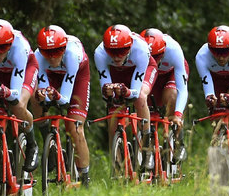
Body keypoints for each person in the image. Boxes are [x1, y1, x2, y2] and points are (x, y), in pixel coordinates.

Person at [0, 19, 39, 172]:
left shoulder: (20, 48)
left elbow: (15, 93)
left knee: (18, 105)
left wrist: (7, 93)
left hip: (24, 69)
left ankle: (32, 144)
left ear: (10, 44)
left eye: (2, 48)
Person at [32, 25, 91, 186]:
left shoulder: (72, 55)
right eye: (47, 52)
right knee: (35, 95)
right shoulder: (38, 57)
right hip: (53, 75)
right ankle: (48, 141)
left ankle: (84, 177)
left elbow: (64, 99)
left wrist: (56, 96)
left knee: (75, 128)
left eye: (57, 51)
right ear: (40, 51)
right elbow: (44, 90)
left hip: (77, 76)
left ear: (64, 48)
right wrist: (43, 95)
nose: (52, 57)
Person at [94, 24, 158, 170]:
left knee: (140, 97)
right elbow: (105, 88)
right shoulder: (100, 53)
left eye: (122, 51)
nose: (117, 56)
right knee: (112, 110)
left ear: (129, 46)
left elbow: (134, 92)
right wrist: (109, 91)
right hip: (118, 71)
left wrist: (126, 91)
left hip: (142, 68)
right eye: (112, 51)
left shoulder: (140, 49)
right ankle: (116, 165)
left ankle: (147, 149)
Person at [140, 28, 189, 162]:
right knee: (143, 106)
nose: (154, 61)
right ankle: (147, 147)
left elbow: (182, 89)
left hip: (170, 74)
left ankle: (179, 141)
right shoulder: (137, 48)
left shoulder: (173, 49)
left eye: (157, 57)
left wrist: (178, 114)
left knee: (172, 95)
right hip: (150, 75)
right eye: (151, 57)